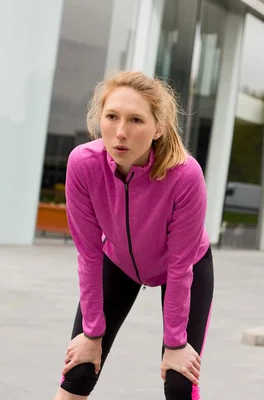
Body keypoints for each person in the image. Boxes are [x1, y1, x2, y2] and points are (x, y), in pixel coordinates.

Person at [53, 71, 214, 400]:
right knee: (80, 368)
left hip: (185, 267)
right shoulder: (83, 164)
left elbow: (180, 266)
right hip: (118, 262)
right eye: (111, 117)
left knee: (180, 381)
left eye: (136, 120)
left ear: (158, 129)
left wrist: (174, 344)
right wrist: (92, 332)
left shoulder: (185, 175)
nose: (121, 132)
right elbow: (88, 253)